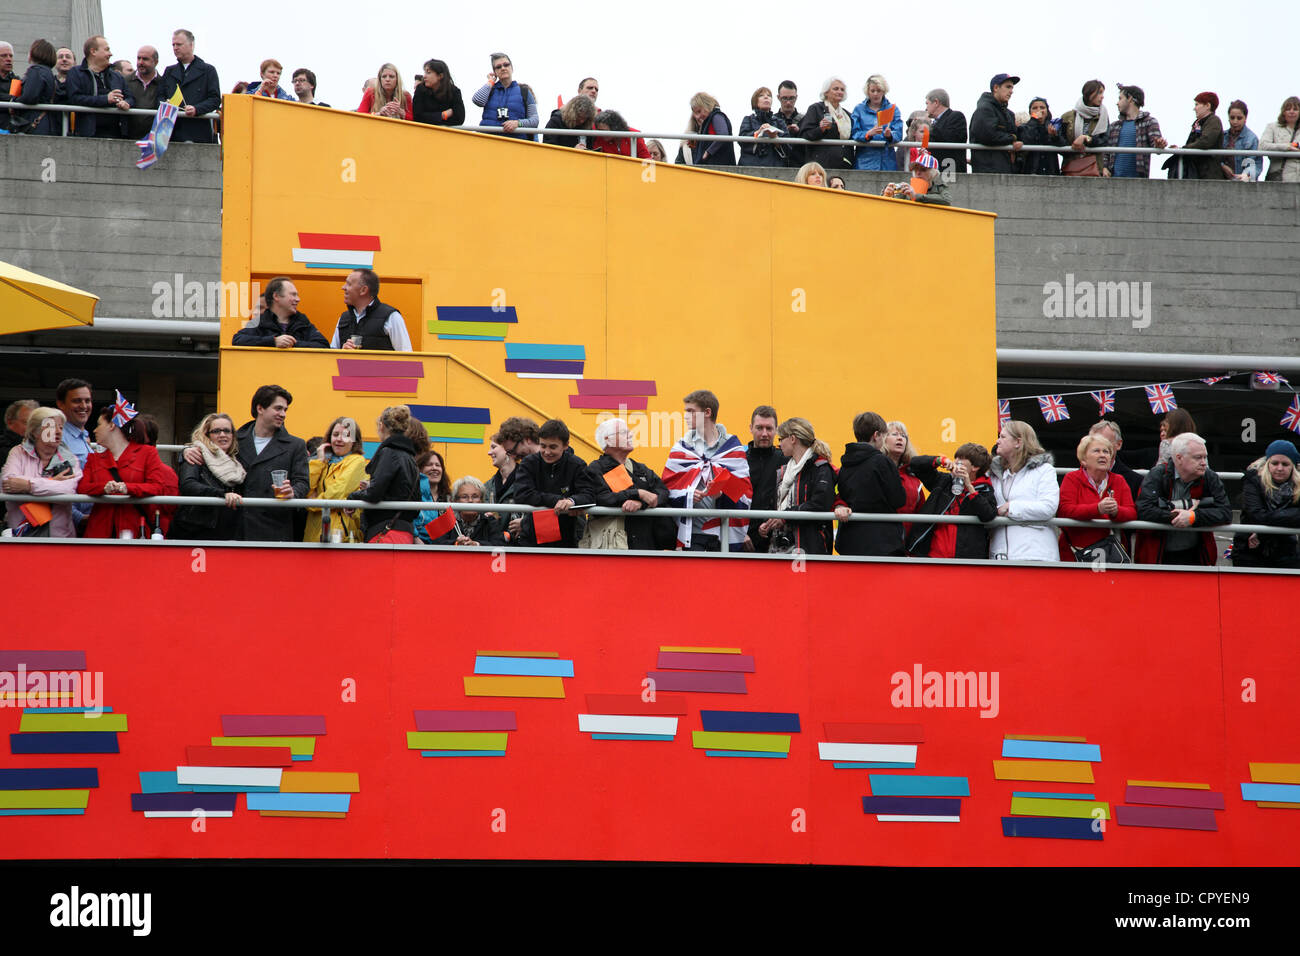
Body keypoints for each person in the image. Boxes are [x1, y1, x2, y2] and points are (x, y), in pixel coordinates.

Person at [662, 390, 751, 551]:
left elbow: (744, 493)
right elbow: (668, 489)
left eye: (691, 411)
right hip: (691, 535)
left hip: (723, 535)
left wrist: (722, 495)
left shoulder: (733, 448)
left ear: (707, 412)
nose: (685, 416)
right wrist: (688, 495)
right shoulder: (682, 448)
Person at [77, 400, 177, 539]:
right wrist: (104, 488)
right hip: (100, 530)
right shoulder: (93, 459)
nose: (94, 430)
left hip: (135, 528)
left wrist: (127, 488)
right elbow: (82, 487)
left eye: (99, 425)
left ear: (112, 426)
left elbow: (156, 486)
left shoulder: (147, 453)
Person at [1135, 432, 1230, 565]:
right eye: (1198, 458)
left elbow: (1225, 513)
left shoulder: (1210, 477)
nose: (1204, 463)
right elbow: (1143, 510)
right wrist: (1175, 515)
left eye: (1205, 457)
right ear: (1179, 458)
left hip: (1196, 555)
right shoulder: (1157, 474)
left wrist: (1192, 517)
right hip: (1159, 557)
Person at [582, 417, 670, 550]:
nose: (630, 435)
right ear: (607, 440)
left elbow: (663, 492)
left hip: (646, 544)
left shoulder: (640, 468)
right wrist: (637, 493)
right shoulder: (596, 468)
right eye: (623, 432)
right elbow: (601, 498)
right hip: (615, 545)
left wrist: (641, 503)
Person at [757, 418, 835, 555]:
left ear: (792, 439)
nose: (779, 443)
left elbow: (820, 504)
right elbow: (775, 505)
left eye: (781, 439)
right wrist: (768, 523)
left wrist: (785, 516)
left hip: (809, 550)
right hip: (778, 549)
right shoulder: (783, 470)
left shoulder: (820, 468)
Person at [513, 418, 595, 548]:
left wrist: (572, 502)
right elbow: (521, 494)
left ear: (566, 445)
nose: (547, 452)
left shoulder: (577, 465)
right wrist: (559, 501)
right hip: (532, 539)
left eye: (553, 447)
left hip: (566, 539)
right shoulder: (528, 463)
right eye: (543, 446)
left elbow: (589, 494)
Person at [1056, 432, 1137, 562]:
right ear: (1083, 460)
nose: (1102, 455)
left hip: (1110, 554)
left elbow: (1132, 512)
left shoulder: (1119, 480)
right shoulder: (1072, 478)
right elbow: (1064, 510)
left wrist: (1116, 511)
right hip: (1075, 553)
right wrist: (1098, 509)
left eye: (1106, 452)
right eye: (1096, 451)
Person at [832, 411, 905, 556]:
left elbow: (842, 494)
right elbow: (899, 499)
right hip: (883, 541)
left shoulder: (846, 463)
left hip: (850, 540)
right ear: (876, 435)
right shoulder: (882, 462)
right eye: (884, 436)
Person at [1, 407, 82, 537]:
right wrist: (53, 483)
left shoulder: (70, 458)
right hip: (21, 537)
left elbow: (69, 489)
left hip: (60, 538)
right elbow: (6, 483)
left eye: (61, 427)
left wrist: (29, 486)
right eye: (51, 427)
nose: (58, 432)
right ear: (35, 431)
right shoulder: (18, 452)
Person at [988, 420, 1059, 561]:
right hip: (998, 556)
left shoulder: (1044, 470)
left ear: (1018, 442)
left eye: (1002, 437)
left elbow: (1048, 507)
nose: (997, 441)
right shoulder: (993, 474)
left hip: (1035, 555)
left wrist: (1010, 508)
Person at [348, 405, 419, 543]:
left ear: (381, 426)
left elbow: (375, 493)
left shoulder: (389, 453)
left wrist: (352, 497)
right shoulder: (411, 458)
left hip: (386, 532)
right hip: (405, 532)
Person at [168, 413, 244, 541]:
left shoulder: (237, 463)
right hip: (195, 532)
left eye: (227, 431)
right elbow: (188, 485)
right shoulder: (196, 454)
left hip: (227, 534)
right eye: (216, 431)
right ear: (206, 435)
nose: (222, 435)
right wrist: (222, 494)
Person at [1231, 440, 1300, 569]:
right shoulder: (1253, 480)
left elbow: (1263, 517)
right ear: (1267, 463)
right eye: (1275, 463)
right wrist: (1292, 516)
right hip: (1249, 551)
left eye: (1285, 464)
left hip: (1286, 552)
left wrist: (1261, 531)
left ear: (1293, 467)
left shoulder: (1298, 486)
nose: (1279, 468)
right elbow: (1257, 514)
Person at [304, 416, 366, 543]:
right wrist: (319, 461)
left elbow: (337, 493)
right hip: (314, 534)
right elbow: (306, 489)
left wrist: (312, 503)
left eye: (345, 435)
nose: (339, 439)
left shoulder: (357, 461)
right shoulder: (323, 462)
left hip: (341, 534)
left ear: (354, 441)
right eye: (336, 434)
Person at [159, 29, 221, 143]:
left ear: (191, 45)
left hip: (198, 132)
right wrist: (165, 103)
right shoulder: (169, 71)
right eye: (173, 45)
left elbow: (215, 99)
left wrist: (197, 109)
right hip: (172, 133)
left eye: (179, 44)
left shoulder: (208, 70)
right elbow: (160, 96)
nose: (175, 48)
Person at [232, 277, 329, 349]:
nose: (298, 299)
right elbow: (237, 340)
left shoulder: (303, 323)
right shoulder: (259, 323)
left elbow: (323, 345)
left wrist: (292, 344)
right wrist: (273, 341)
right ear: (276, 296)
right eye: (293, 294)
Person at [67, 35, 134, 138]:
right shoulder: (75, 73)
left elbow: (130, 97)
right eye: (107, 50)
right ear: (93, 51)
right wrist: (105, 99)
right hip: (87, 135)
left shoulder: (116, 76)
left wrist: (126, 103)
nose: (110, 54)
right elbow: (74, 98)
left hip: (116, 135)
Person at [331, 269, 413, 351]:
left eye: (349, 284)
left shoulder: (391, 317)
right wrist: (342, 352)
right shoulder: (343, 318)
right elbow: (331, 356)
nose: (343, 287)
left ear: (363, 290)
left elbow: (406, 356)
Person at [1098, 83, 1165, 179]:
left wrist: (1159, 144)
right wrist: (1104, 168)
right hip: (1113, 181)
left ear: (1130, 98)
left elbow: (1157, 145)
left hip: (1138, 183)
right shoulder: (1114, 126)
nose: (1117, 103)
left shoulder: (1149, 122)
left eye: (1120, 98)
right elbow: (1106, 151)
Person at [745, 405, 787, 553]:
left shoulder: (786, 460)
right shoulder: (738, 461)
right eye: (759, 428)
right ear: (750, 428)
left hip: (777, 543)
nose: (764, 433)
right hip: (743, 541)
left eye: (769, 429)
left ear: (776, 429)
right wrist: (739, 533)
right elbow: (727, 500)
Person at [472, 52, 538, 140]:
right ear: (494, 72)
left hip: (516, 143)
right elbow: (477, 100)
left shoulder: (524, 91)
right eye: (498, 67)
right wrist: (491, 81)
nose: (503, 68)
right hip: (488, 141)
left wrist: (518, 123)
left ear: (512, 68)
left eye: (506, 65)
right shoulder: (490, 90)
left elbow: (534, 120)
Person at [799, 76, 855, 171]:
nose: (840, 92)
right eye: (835, 89)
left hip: (845, 163)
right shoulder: (816, 109)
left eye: (842, 89)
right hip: (821, 164)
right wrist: (821, 129)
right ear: (826, 92)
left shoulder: (848, 115)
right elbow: (805, 134)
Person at [1167, 92, 1227, 180]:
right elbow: (1194, 143)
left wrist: (1183, 149)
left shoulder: (1214, 121)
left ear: (1207, 105)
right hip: (1196, 173)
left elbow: (1205, 142)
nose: (1194, 108)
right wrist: (1181, 149)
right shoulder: (1198, 123)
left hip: (1208, 175)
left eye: (1197, 104)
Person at [850, 74, 903, 171]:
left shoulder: (893, 109)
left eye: (878, 91)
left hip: (887, 162)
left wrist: (890, 135)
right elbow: (854, 133)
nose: (875, 94)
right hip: (864, 162)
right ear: (868, 92)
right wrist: (867, 134)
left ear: (884, 91)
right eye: (872, 91)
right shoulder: (859, 109)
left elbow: (899, 133)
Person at [970, 73, 1021, 174]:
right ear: (996, 87)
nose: (1011, 91)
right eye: (1008, 87)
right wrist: (1012, 138)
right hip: (988, 170)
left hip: (1005, 168)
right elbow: (987, 135)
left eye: (1012, 88)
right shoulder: (985, 108)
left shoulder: (1009, 114)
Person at [435, 476, 506, 546]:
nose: (470, 501)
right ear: (455, 500)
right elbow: (435, 545)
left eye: (475, 496)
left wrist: (476, 544)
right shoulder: (443, 521)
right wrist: (456, 543)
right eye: (464, 497)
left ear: (481, 500)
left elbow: (500, 544)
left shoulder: (490, 521)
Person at [1060, 80, 1109, 177]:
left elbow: (1104, 140)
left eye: (1103, 93)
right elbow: (1062, 144)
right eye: (1099, 92)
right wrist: (1054, 136)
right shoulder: (1068, 117)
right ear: (1090, 93)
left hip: (1095, 169)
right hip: (1071, 168)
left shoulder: (1103, 116)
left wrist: (1086, 138)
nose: (1102, 96)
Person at [10, 40, 58, 136]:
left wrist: (14, 101)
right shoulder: (48, 72)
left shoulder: (35, 71)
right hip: (44, 121)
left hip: (33, 120)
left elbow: (29, 96)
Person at [738, 87, 791, 168]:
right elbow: (742, 141)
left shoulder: (779, 122)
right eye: (761, 95)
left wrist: (775, 138)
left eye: (769, 95)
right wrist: (758, 133)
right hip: (750, 167)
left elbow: (788, 149)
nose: (766, 97)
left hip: (775, 169)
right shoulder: (748, 119)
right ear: (755, 102)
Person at [1089, 419, 1142, 499]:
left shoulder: (1135, 481)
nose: (1099, 446)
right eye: (1093, 442)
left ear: (1118, 444)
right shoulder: (1074, 479)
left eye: (1105, 442)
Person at [679, 92, 736, 166]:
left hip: (719, 166)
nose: (697, 117)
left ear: (707, 105)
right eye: (695, 113)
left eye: (699, 111)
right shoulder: (710, 119)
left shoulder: (716, 116)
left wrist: (708, 152)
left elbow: (723, 135)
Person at [1016, 97, 1066, 176]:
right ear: (1030, 112)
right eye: (1035, 108)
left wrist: (1054, 136)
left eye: (1042, 107)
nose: (1039, 110)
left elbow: (1063, 146)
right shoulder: (1024, 127)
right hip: (1031, 171)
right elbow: (1026, 141)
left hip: (1051, 172)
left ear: (1047, 111)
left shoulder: (1055, 126)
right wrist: (1034, 120)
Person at [882, 148, 951, 205]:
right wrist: (887, 196)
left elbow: (947, 201)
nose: (918, 173)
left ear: (934, 173)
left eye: (923, 170)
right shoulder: (906, 188)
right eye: (915, 170)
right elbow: (890, 207)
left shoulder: (941, 189)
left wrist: (915, 196)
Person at [54, 378, 94, 469]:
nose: (83, 406)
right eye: (77, 401)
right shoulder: (55, 437)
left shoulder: (85, 435)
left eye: (87, 401)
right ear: (61, 404)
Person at [925, 88, 968, 174]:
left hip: (951, 170)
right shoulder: (934, 124)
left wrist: (930, 127)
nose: (926, 108)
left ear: (936, 102)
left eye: (927, 104)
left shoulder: (956, 116)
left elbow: (952, 138)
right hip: (935, 171)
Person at [414, 449, 452, 544]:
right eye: (429, 465)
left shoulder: (448, 498)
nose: (434, 468)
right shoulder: (413, 495)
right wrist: (416, 539)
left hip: (441, 549)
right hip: (415, 546)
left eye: (438, 465)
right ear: (420, 469)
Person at [124, 46, 163, 139]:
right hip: (128, 137)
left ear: (156, 62)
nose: (140, 62)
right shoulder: (126, 81)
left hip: (152, 139)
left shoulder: (163, 83)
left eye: (145, 59)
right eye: (138, 58)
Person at [412, 59, 464, 127]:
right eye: (425, 72)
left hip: (446, 134)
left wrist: (430, 117)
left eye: (428, 72)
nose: (424, 76)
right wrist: (443, 115)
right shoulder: (420, 89)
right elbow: (417, 117)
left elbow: (459, 119)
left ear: (440, 76)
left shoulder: (454, 91)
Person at [1260, 96, 1300, 183]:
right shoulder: (1272, 127)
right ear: (1283, 112)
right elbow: (1262, 146)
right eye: (1288, 109)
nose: (1292, 112)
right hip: (1277, 178)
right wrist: (1285, 147)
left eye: (1295, 109)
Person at [1221, 100, 1260, 181]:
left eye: (1239, 118)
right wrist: (1222, 166)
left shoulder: (1252, 138)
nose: (1235, 121)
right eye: (1232, 118)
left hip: (1243, 185)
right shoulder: (1222, 136)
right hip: (1222, 182)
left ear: (1245, 118)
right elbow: (1214, 159)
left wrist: (1246, 174)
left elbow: (1255, 164)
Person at [775, 81, 804, 166]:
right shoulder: (772, 120)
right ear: (778, 97)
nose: (788, 102)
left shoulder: (805, 119)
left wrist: (800, 132)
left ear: (796, 97)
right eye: (784, 98)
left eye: (791, 98)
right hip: (777, 165)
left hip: (800, 165)